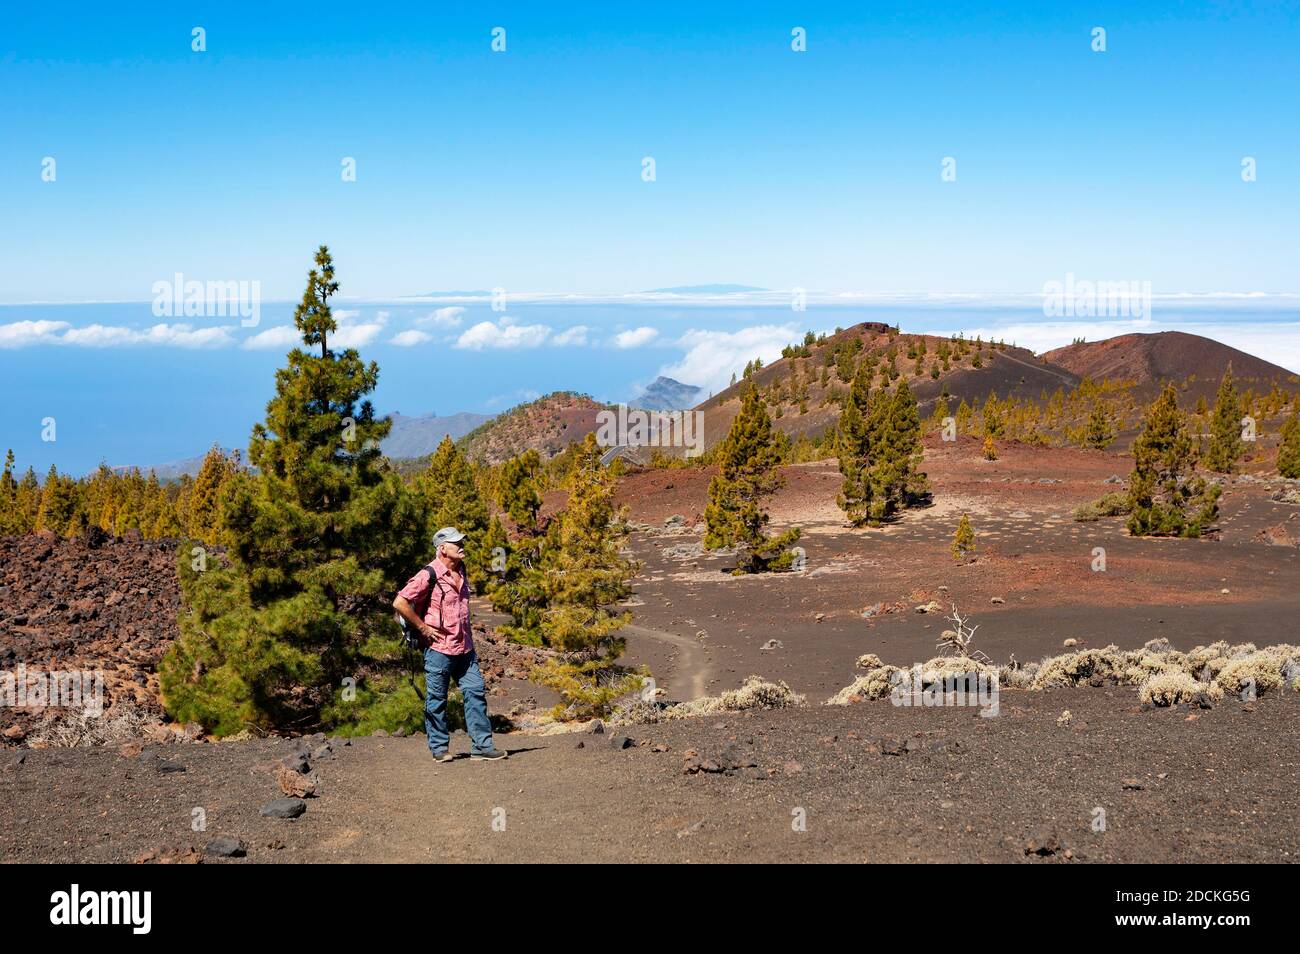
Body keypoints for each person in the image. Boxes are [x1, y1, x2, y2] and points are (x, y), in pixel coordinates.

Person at [393, 526, 507, 762]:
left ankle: (482, 747)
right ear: (443, 549)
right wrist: (423, 628)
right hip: (439, 649)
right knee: (437, 699)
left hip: (465, 648)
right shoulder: (428, 574)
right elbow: (400, 602)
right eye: (457, 542)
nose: (462, 545)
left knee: (475, 692)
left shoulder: (462, 570)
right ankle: (439, 749)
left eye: (461, 540)